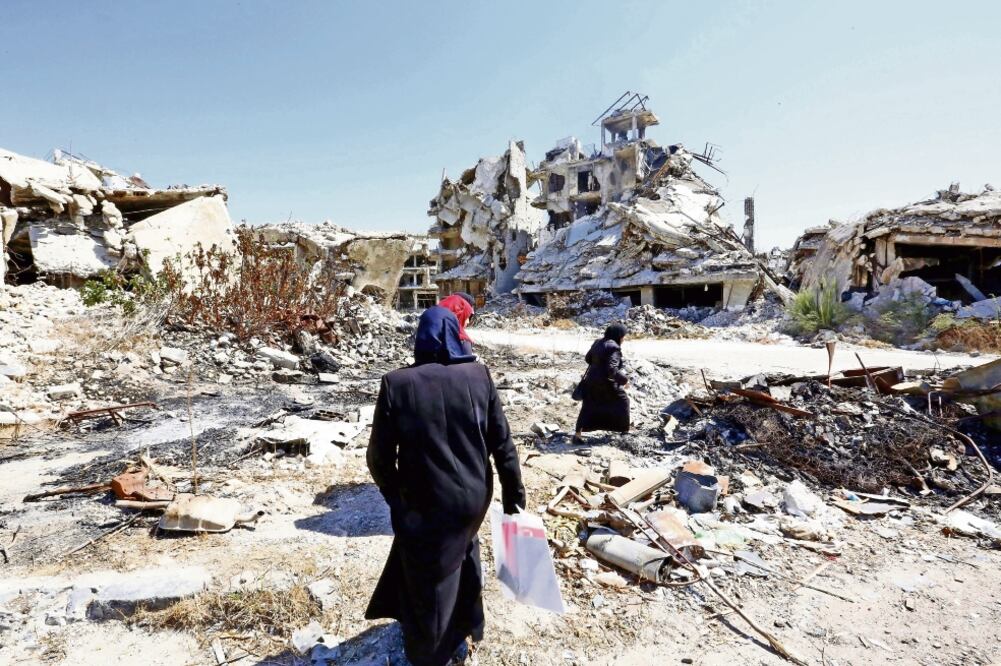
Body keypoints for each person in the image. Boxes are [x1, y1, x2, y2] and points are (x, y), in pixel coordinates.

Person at [366, 305, 525, 666]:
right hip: (472, 500)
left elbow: (378, 457)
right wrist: (515, 496)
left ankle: (431, 654)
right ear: (455, 334)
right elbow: (503, 445)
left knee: (431, 579)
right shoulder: (479, 376)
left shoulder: (397, 383)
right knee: (464, 551)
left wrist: (396, 497)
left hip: (424, 503)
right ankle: (469, 626)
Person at [573, 323, 630, 444]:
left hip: (591, 381)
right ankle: (625, 432)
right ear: (618, 336)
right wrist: (624, 380)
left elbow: (588, 358)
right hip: (605, 383)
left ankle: (577, 435)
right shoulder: (614, 348)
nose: (623, 339)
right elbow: (612, 369)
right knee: (623, 401)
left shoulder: (597, 342)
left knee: (588, 407)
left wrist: (598, 363)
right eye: (623, 337)